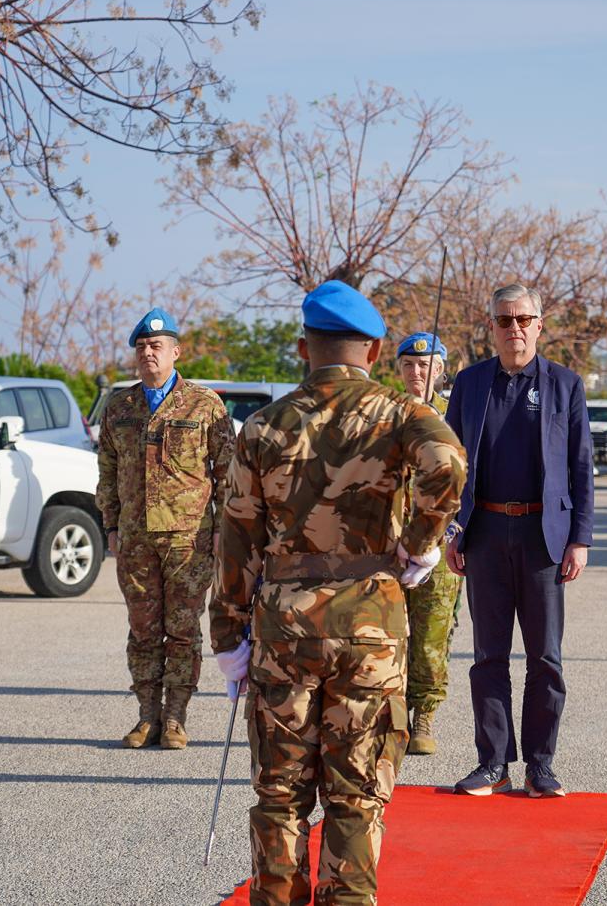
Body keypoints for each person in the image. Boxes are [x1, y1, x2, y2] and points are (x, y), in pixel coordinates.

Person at [209, 281, 466, 906]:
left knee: (280, 795)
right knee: (356, 796)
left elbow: (236, 537)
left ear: (304, 347)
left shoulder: (263, 425)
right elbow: (448, 465)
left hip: (284, 631)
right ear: (373, 351)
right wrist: (420, 544)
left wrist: (227, 636)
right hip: (369, 625)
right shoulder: (401, 413)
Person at [444, 283, 595, 799]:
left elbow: (581, 466)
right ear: (492, 326)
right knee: (488, 656)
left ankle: (540, 765)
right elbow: (450, 465)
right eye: (505, 320)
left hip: (542, 537)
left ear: (539, 325)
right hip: (484, 532)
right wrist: (451, 529)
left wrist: (580, 538)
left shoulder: (565, 385)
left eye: (523, 319)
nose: (515, 328)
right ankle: (492, 763)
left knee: (545, 658)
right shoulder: (470, 384)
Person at [95, 307, 235, 750]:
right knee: (142, 629)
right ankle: (146, 716)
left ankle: (175, 717)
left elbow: (228, 472)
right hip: (135, 539)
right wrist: (110, 524)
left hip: (188, 538)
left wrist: (222, 528)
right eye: (141, 347)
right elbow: (107, 471)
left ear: (177, 352)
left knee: (182, 629)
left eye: (156, 346)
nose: (147, 353)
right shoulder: (120, 407)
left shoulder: (204, 404)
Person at [396, 331, 462, 756]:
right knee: (390, 632)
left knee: (432, 633)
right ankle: (393, 714)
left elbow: (471, 475)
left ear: (439, 369)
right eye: (409, 365)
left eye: (425, 365)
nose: (416, 372)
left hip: (440, 542)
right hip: (391, 542)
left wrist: (456, 530)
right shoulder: (387, 414)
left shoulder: (456, 415)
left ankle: (425, 714)